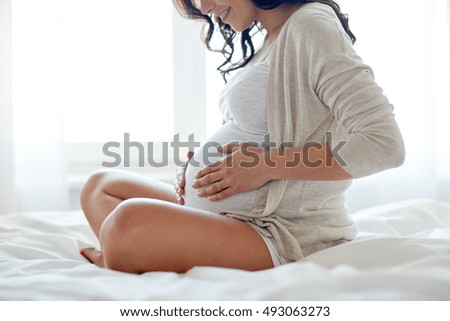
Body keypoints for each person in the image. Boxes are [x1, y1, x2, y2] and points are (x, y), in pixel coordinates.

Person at [80, 0, 405, 274]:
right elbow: (262, 132)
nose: (205, 8)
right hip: (231, 216)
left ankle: (116, 255)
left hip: (278, 231)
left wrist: (265, 165)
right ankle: (127, 252)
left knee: (126, 223)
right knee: (101, 186)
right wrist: (203, 168)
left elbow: (384, 144)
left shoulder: (311, 24)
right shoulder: (268, 39)